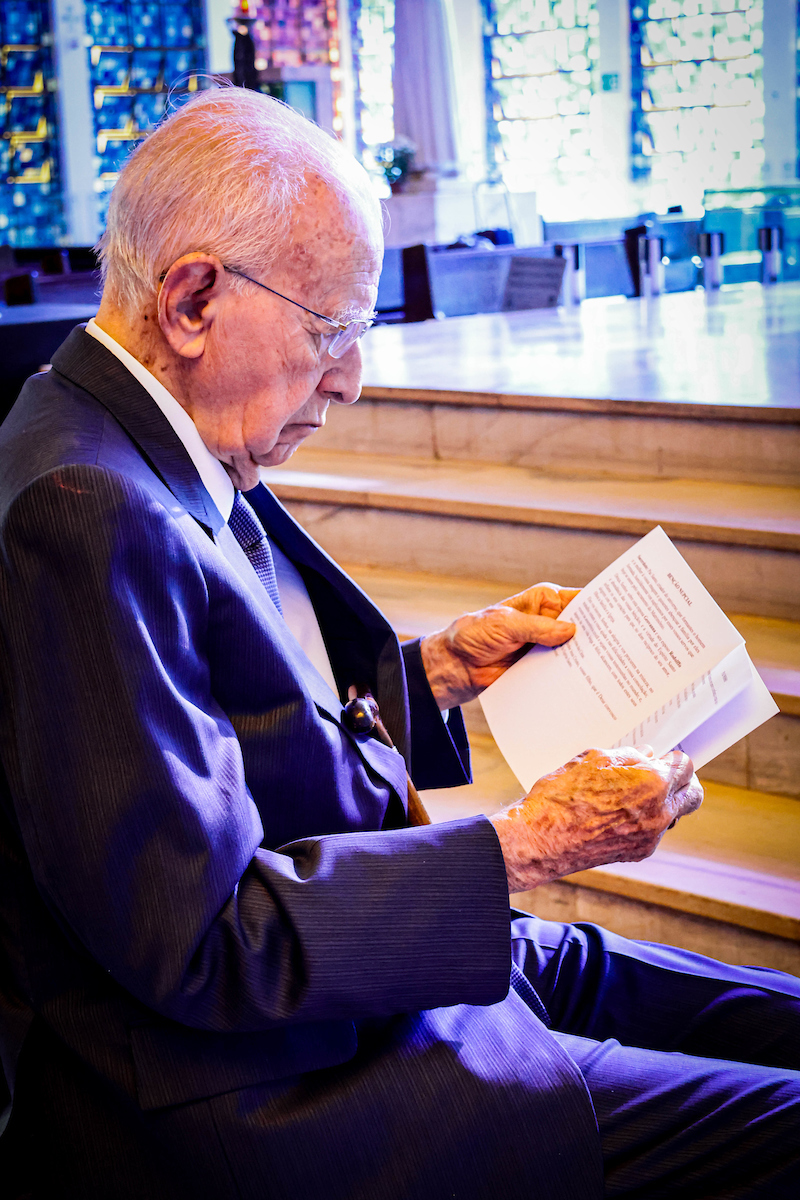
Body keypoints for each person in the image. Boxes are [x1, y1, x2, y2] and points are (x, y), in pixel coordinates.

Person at [0, 88, 797, 1200]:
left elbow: (227, 714)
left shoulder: (128, 428)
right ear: (190, 299)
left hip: (352, 962)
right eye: (331, 330)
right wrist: (525, 846)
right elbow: (201, 943)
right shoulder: (87, 504)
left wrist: (433, 675)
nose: (351, 379)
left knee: (764, 1010)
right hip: (280, 1088)